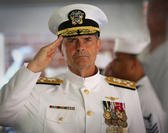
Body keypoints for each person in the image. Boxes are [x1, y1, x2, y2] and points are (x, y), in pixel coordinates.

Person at [0, 4, 146, 133]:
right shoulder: (36, 91)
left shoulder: (126, 93)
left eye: (87, 39)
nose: (80, 47)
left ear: (98, 45)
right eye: (71, 40)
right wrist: (33, 67)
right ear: (60, 50)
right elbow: (2, 114)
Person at [104, 37, 165, 133]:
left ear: (134, 64)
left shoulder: (145, 97)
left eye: (117, 60)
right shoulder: (133, 91)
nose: (111, 64)